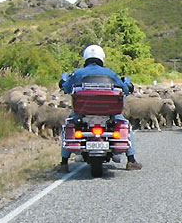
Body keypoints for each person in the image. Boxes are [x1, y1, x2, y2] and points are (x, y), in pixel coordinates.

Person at [58, 44, 142, 172]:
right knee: (125, 124)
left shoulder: (78, 73)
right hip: (109, 113)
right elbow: (125, 88)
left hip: (83, 113)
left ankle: (64, 163)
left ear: (85, 57)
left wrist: (64, 82)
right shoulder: (110, 73)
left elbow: (67, 87)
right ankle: (131, 160)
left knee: (69, 124)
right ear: (101, 57)